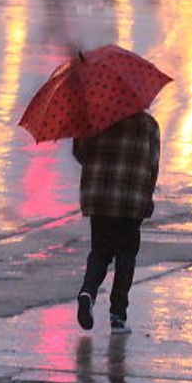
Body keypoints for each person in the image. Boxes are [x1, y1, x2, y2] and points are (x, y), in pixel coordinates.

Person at [73, 110, 160, 334]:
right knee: (126, 256)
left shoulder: (94, 118)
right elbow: (152, 165)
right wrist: (147, 196)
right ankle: (118, 316)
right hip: (132, 198)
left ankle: (87, 293)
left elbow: (80, 154)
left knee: (100, 252)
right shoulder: (149, 125)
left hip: (100, 195)